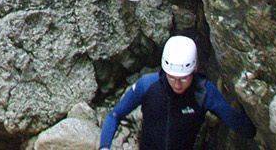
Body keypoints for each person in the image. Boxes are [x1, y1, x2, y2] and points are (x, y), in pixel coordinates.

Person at [99, 36, 256, 149]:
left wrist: (254, 115)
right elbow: (115, 115)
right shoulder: (147, 85)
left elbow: (239, 124)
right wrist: (104, 146)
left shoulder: (204, 92)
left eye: (183, 78)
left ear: (194, 71)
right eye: (172, 78)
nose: (178, 84)